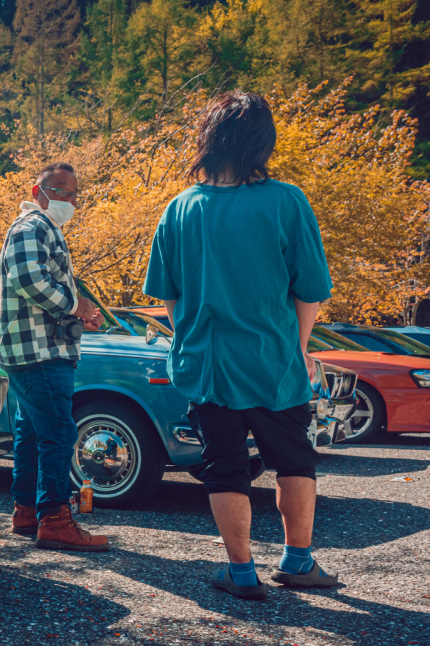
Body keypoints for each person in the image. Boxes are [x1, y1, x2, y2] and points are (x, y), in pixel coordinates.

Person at [142, 90, 339, 600]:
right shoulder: (287, 201)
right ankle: (298, 561)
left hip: (207, 365)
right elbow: (310, 290)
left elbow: (168, 295)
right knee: (295, 460)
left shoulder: (180, 208)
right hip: (273, 362)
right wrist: (297, 347)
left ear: (209, 140)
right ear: (262, 142)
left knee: (224, 465)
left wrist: (191, 336)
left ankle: (242, 571)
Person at [0, 161, 108, 551]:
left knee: (31, 433)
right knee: (59, 432)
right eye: (59, 189)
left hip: (34, 347)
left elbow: (39, 292)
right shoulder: (33, 226)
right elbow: (29, 280)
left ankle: (27, 511)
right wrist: (75, 305)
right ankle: (55, 520)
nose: (67, 199)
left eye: (73, 193)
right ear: (36, 190)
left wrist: (79, 314)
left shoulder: (42, 228)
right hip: (40, 351)